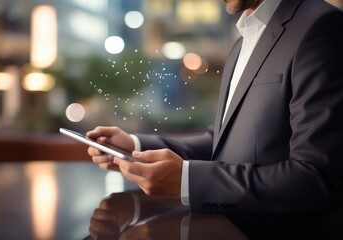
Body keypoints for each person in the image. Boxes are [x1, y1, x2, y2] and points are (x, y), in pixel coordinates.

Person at [87, 0, 343, 214]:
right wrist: (135, 146)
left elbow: (316, 178)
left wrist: (188, 180)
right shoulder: (240, 45)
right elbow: (219, 141)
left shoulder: (321, 26)